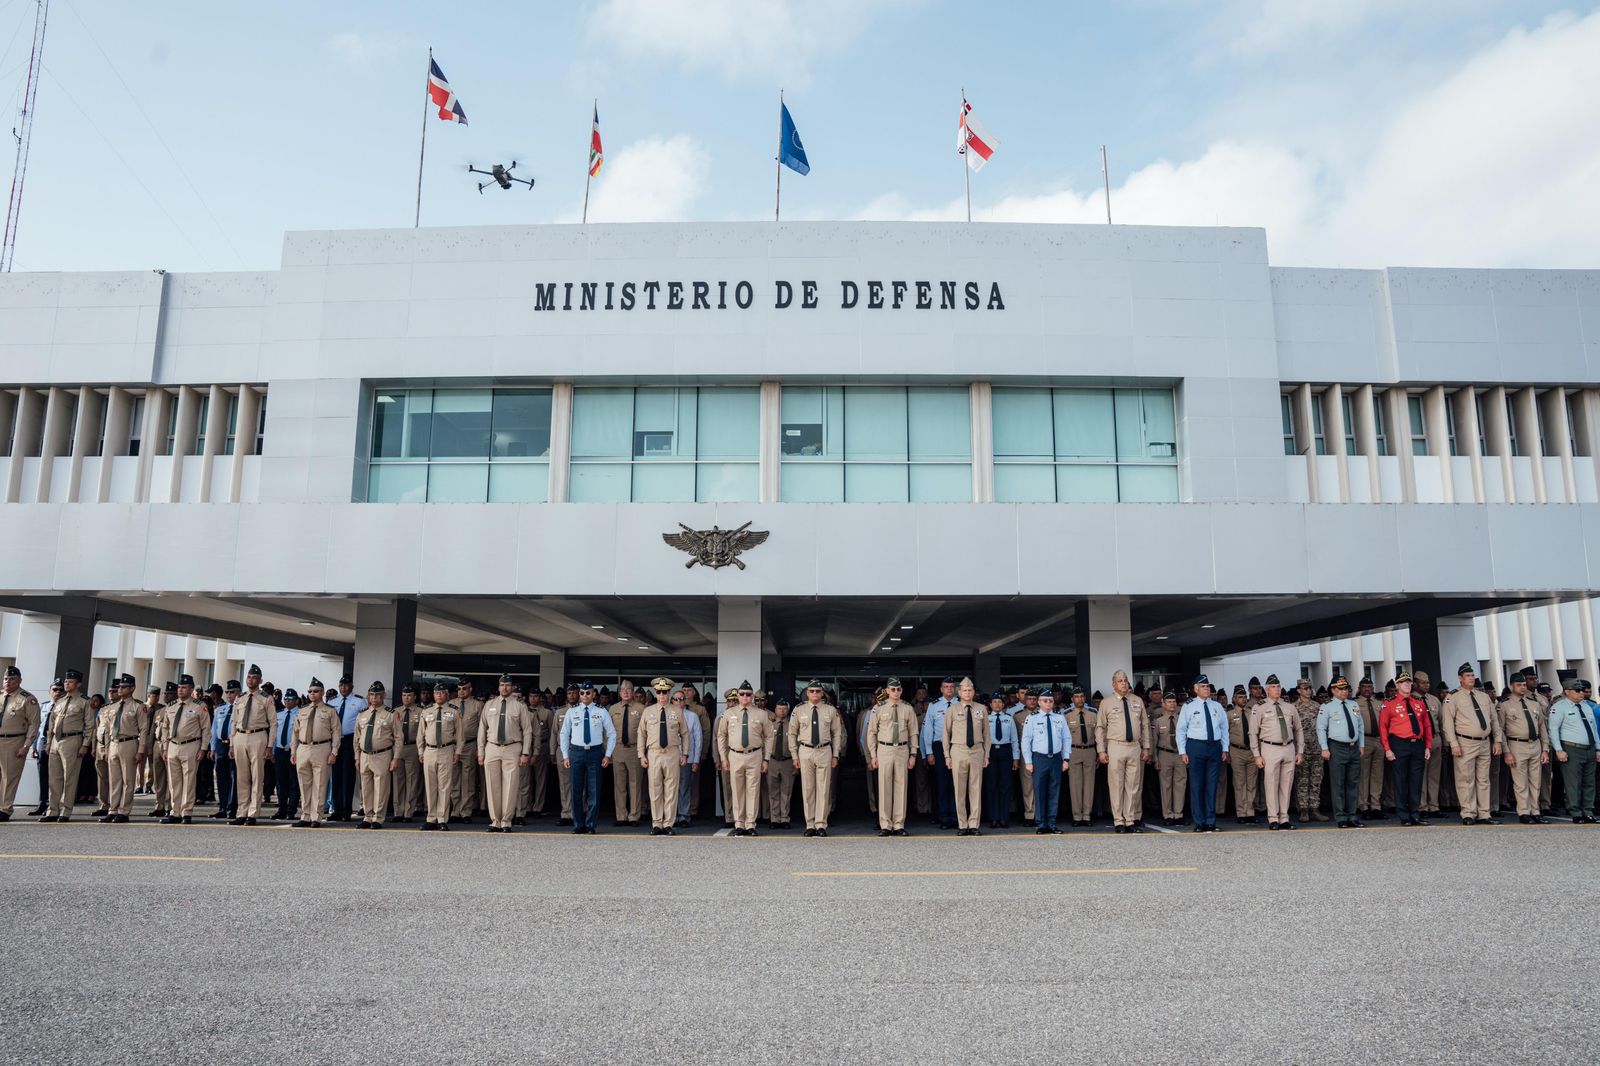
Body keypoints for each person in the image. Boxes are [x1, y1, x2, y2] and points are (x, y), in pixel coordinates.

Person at [1443, 662, 1503, 825]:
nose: (1471, 678)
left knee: (1484, 779)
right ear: (1460, 678)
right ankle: (1468, 813)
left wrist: (1497, 740)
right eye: (1468, 676)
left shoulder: (1483, 697)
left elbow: (1494, 721)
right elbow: (1448, 723)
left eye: (1472, 675)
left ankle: (1484, 813)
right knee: (1465, 779)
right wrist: (1453, 744)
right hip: (1465, 742)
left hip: (1484, 743)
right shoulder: (1452, 697)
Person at [477, 674, 534, 834]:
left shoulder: (520, 706)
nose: (505, 688)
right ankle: (495, 820)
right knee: (492, 784)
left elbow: (528, 732)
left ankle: (506, 821)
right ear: (498, 686)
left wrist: (525, 753)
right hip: (492, 747)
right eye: (502, 685)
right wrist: (481, 752)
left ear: (512, 687)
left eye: (508, 685)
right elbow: (482, 729)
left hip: (512, 747)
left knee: (510, 785)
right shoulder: (489, 705)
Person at [1096, 670, 1150, 833]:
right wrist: (1101, 750)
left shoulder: (1137, 700)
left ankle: (1130, 820)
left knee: (1133, 786)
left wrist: (1146, 747)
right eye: (1120, 681)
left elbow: (1145, 725)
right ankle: (1119, 821)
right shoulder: (1106, 702)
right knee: (1116, 785)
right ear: (1114, 684)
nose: (1124, 683)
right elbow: (1100, 728)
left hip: (1134, 746)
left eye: (1126, 680)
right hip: (1116, 746)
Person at [1376, 672, 1432, 827]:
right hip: (1399, 744)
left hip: (1417, 744)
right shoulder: (1389, 703)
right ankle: (1404, 815)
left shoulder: (1419, 703)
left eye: (1409, 682)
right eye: (1403, 683)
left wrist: (1427, 746)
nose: (1407, 685)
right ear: (1397, 686)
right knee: (1400, 780)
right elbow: (1383, 727)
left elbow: (1427, 726)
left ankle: (1415, 813)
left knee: (1416, 780)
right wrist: (1387, 749)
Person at [789, 680, 844, 837]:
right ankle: (810, 824)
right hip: (805, 750)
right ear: (807, 693)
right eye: (812, 691)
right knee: (808, 789)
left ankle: (821, 824)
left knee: (824, 789)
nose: (815, 694)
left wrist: (835, 754)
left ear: (822, 693)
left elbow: (837, 733)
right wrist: (794, 755)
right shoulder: (799, 710)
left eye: (818, 691)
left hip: (824, 750)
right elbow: (792, 734)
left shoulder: (830, 710)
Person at [560, 681, 615, 835]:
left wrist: (608, 754)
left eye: (588, 693)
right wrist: (565, 756)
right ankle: (578, 824)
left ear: (594, 694)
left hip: (595, 753)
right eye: (582, 693)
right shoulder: (572, 711)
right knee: (576, 790)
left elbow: (611, 734)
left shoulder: (601, 711)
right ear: (579, 694)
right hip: (576, 752)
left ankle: (590, 824)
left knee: (594, 790)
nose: (585, 696)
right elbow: (564, 734)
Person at [715, 681, 769, 836]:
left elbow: (768, 737)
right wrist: (724, 758)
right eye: (742, 694)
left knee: (753, 790)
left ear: (752, 697)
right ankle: (739, 824)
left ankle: (750, 824)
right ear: (738, 696)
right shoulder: (729, 713)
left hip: (754, 755)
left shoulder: (761, 714)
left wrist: (766, 759)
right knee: (737, 791)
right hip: (735, 755)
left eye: (748, 694)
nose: (745, 697)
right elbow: (721, 736)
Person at [866, 678, 918, 837]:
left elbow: (913, 732)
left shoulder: (908, 708)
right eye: (893, 689)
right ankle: (885, 824)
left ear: (901, 691)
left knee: (901, 787)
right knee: (884, 787)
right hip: (884, 749)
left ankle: (899, 824)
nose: (896, 692)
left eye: (898, 689)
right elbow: (871, 733)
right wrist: (873, 755)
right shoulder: (878, 708)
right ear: (887, 691)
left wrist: (913, 753)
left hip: (902, 749)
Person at [41, 668, 93, 822]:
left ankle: (65, 811)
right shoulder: (60, 701)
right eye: (66, 681)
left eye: (70, 682)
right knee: (54, 778)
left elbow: (89, 725)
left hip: (72, 740)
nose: (66, 684)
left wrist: (85, 744)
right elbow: (51, 724)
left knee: (69, 777)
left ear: (78, 684)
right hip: (56, 741)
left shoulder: (84, 701)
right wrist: (49, 742)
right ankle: (52, 810)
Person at [1251, 675, 1302, 830]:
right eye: (1273, 687)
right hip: (1269, 747)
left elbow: (1298, 729)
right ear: (1267, 689)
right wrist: (1256, 754)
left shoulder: (1289, 707)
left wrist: (1300, 751)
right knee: (1271, 783)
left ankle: (1284, 818)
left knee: (1286, 784)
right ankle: (1273, 818)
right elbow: (1253, 732)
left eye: (1279, 686)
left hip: (1288, 747)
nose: (1277, 689)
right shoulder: (1259, 707)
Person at [1496, 672, 1548, 825]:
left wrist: (1545, 749)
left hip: (1535, 744)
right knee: (1520, 782)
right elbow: (1500, 730)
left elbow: (1542, 728)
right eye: (1519, 685)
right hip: (1516, 744)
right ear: (1511, 686)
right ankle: (1524, 811)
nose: (1523, 687)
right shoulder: (1504, 704)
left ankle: (1535, 811)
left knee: (1536, 780)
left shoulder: (1534, 703)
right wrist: (1506, 751)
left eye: (1524, 685)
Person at [1178, 675, 1228, 833]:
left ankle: (1210, 821)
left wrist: (1225, 748)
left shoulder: (1217, 706)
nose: (1207, 689)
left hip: (1214, 747)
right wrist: (1182, 751)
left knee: (1212, 785)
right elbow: (1181, 730)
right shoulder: (1189, 706)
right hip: (1196, 746)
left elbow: (1224, 729)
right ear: (1196, 689)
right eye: (1203, 686)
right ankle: (1199, 821)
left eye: (1208, 686)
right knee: (1197, 785)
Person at [639, 677, 688, 836]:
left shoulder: (677, 711)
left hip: (672, 753)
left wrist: (685, 753)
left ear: (669, 692)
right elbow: (641, 734)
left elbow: (685, 734)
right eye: (659, 692)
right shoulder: (648, 711)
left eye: (665, 692)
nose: (662, 695)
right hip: (653, 753)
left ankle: (668, 824)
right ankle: (657, 823)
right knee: (655, 789)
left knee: (671, 789)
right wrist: (641, 755)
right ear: (655, 692)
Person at [97, 675, 149, 824]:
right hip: (113, 743)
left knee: (128, 780)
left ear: (132, 688)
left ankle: (124, 811)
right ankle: (112, 810)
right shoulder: (112, 707)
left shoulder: (138, 706)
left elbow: (144, 730)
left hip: (129, 742)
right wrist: (105, 748)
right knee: (114, 780)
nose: (120, 689)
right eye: (119, 687)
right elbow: (106, 729)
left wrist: (140, 750)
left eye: (124, 687)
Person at [160, 675, 211, 825]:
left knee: (189, 780)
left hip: (191, 745)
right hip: (173, 745)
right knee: (174, 781)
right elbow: (165, 728)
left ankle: (186, 812)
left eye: (183, 687)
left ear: (191, 689)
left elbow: (206, 729)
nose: (180, 690)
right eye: (179, 687)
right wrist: (165, 747)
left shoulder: (199, 706)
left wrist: (203, 748)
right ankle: (175, 811)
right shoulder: (171, 706)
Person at [941, 678, 989, 837]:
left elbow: (986, 735)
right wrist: (947, 755)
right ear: (959, 692)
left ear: (973, 692)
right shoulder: (952, 710)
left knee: (975, 789)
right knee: (959, 790)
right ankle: (962, 824)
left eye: (970, 690)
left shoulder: (981, 709)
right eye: (964, 690)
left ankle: (974, 824)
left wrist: (986, 754)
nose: (967, 693)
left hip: (976, 751)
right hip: (958, 751)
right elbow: (945, 734)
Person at [290, 679, 340, 828]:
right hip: (304, 748)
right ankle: (305, 816)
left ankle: (316, 817)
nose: (313, 694)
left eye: (316, 691)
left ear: (322, 693)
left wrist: (334, 752)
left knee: (319, 784)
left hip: (322, 748)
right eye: (310, 691)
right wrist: (293, 751)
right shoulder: (303, 710)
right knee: (304, 784)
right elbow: (295, 733)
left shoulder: (330, 711)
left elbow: (337, 732)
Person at [1316, 676, 1365, 828]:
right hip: (1337, 747)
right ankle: (1341, 816)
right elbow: (1321, 728)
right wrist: (1324, 748)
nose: (1345, 692)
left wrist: (1361, 745)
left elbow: (1360, 726)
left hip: (1353, 747)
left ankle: (1352, 815)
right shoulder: (1327, 706)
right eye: (1341, 689)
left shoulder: (1353, 704)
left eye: (1346, 689)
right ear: (1333, 690)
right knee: (1338, 783)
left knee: (1353, 783)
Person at [1019, 688, 1068, 834]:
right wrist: (1028, 761)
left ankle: (1052, 823)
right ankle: (1041, 824)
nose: (1048, 703)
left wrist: (1066, 758)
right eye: (1045, 701)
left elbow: (1066, 739)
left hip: (1055, 759)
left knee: (1054, 791)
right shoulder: (1032, 718)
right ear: (1039, 702)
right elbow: (1026, 741)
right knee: (1039, 791)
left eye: (1051, 701)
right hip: (1039, 759)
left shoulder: (1059, 717)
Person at [352, 682, 400, 829]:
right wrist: (357, 756)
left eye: (377, 695)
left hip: (382, 754)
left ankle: (378, 818)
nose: (374, 698)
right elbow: (357, 737)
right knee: (365, 788)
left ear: (384, 696)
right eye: (372, 695)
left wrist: (396, 758)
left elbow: (399, 738)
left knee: (381, 788)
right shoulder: (363, 714)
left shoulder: (391, 714)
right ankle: (367, 816)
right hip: (365, 755)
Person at [1550, 680, 1598, 823]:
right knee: (1573, 782)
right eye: (1577, 691)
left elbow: (1593, 729)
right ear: (1567, 691)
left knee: (1589, 782)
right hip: (1571, 748)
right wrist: (1558, 750)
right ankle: (1576, 812)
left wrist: (1598, 748)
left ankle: (1588, 811)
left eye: (1582, 690)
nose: (1581, 693)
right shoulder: (1559, 707)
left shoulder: (1587, 707)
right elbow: (1553, 730)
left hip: (1589, 748)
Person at [0, 666, 42, 821]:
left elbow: (34, 723)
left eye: (12, 679)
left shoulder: (26, 699)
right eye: (6, 679)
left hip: (14, 741)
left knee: (9, 777)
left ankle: (4, 809)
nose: (8, 682)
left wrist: (26, 746)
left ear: (19, 681)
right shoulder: (1, 696)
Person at [920, 677, 959, 829]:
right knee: (942, 783)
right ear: (941, 689)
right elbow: (928, 730)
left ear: (955, 689)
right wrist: (928, 752)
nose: (949, 689)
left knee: (956, 783)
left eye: (951, 686)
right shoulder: (934, 706)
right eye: (946, 687)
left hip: (957, 746)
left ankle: (956, 817)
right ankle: (944, 818)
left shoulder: (960, 704)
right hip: (939, 746)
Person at [608, 680, 645, 828]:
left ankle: (634, 816)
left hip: (634, 749)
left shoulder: (641, 709)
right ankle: (621, 816)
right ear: (619, 692)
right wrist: (608, 751)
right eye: (623, 689)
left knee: (635, 784)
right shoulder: (613, 709)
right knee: (619, 784)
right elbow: (607, 732)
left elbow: (645, 732)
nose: (625, 692)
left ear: (633, 691)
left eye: (628, 689)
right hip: (617, 749)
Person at [449, 679, 485, 824]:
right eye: (459, 689)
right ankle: (455, 811)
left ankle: (466, 812)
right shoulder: (452, 704)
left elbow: (482, 728)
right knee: (454, 780)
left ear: (470, 689)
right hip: (453, 745)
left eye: (464, 688)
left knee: (468, 780)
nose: (461, 691)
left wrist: (479, 748)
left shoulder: (477, 705)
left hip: (470, 745)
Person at [328, 676, 364, 821]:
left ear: (351, 686)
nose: (343, 688)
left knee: (347, 777)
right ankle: (336, 809)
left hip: (350, 740)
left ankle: (346, 810)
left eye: (346, 685)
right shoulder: (332, 702)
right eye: (341, 685)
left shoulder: (359, 701)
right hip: (335, 741)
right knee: (335, 776)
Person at [1413, 670, 1449, 816]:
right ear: (1415, 684)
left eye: (1427, 682)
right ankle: (1422, 806)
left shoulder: (1433, 700)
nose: (1426, 685)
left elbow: (1442, 722)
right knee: (1421, 774)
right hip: (1420, 741)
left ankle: (1434, 806)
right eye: (1423, 682)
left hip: (1436, 739)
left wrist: (1445, 743)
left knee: (1434, 775)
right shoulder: (1411, 700)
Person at [1292, 678, 1327, 823]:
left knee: (1316, 780)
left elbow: (1324, 727)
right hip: (1302, 750)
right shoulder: (1293, 708)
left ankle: (1314, 809)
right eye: (1305, 688)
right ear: (1299, 690)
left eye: (1310, 688)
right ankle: (1303, 810)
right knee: (1302, 780)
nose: (1308, 691)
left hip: (1317, 748)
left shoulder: (1318, 706)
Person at [983, 690, 1018, 829]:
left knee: (1005, 785)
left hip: (1005, 751)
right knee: (991, 785)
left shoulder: (1009, 718)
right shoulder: (986, 719)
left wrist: (1016, 758)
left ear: (1003, 704)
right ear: (990, 705)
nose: (997, 704)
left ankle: (1004, 817)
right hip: (990, 751)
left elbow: (1014, 739)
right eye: (994, 702)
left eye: (999, 702)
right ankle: (993, 817)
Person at [1064, 686, 1098, 828]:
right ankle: (1077, 816)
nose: (1080, 699)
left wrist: (1100, 752)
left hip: (1090, 750)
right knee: (1075, 785)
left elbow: (1099, 736)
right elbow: (1063, 738)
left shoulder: (1093, 714)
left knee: (1089, 785)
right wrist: (1064, 757)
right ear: (1072, 699)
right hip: (1074, 751)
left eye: (1082, 696)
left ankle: (1087, 815)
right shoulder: (1066, 715)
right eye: (1076, 696)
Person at [389, 685, 422, 824]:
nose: (406, 698)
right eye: (404, 695)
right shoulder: (395, 712)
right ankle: (398, 811)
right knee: (398, 781)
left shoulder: (421, 712)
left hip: (413, 747)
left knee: (412, 781)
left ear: (414, 697)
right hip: (398, 748)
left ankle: (409, 812)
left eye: (409, 695)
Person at [1151, 693, 1185, 826]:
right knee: (1165, 786)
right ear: (1163, 704)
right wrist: (1155, 759)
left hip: (1179, 754)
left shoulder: (1182, 719)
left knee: (1180, 785)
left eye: (1174, 701)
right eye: (1169, 701)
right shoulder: (1159, 721)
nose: (1172, 704)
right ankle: (1168, 815)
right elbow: (1154, 741)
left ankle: (1179, 814)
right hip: (1164, 754)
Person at [1226, 684, 1259, 824]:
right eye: (1240, 697)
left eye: (1245, 696)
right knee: (1239, 783)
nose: (1244, 699)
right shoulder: (1229, 714)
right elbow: (1224, 734)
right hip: (1236, 750)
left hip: (1251, 751)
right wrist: (1226, 751)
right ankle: (1241, 813)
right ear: (1234, 699)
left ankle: (1250, 812)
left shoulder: (1253, 712)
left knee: (1251, 783)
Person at [677, 688, 706, 828]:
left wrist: (696, 760)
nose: (679, 702)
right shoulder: (666, 715)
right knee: (669, 789)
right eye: (676, 699)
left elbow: (698, 738)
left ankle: (684, 816)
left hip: (687, 759)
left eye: (682, 699)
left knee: (685, 788)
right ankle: (670, 816)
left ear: (685, 701)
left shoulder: (692, 716)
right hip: (669, 758)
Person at [765, 698, 796, 830]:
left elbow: (797, 744)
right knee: (773, 791)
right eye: (779, 709)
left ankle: (785, 818)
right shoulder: (769, 724)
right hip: (772, 761)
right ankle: (774, 819)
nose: (781, 711)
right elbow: (763, 742)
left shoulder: (792, 725)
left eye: (784, 709)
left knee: (786, 792)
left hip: (787, 761)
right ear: (775, 710)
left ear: (788, 710)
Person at [271, 688, 301, 820]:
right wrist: (272, 751)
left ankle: (291, 810)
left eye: (290, 699)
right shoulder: (279, 714)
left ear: (296, 700)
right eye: (286, 699)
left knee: (294, 782)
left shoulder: (301, 714)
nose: (287, 701)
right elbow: (274, 734)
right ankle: (282, 809)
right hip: (279, 751)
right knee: (280, 782)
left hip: (294, 752)